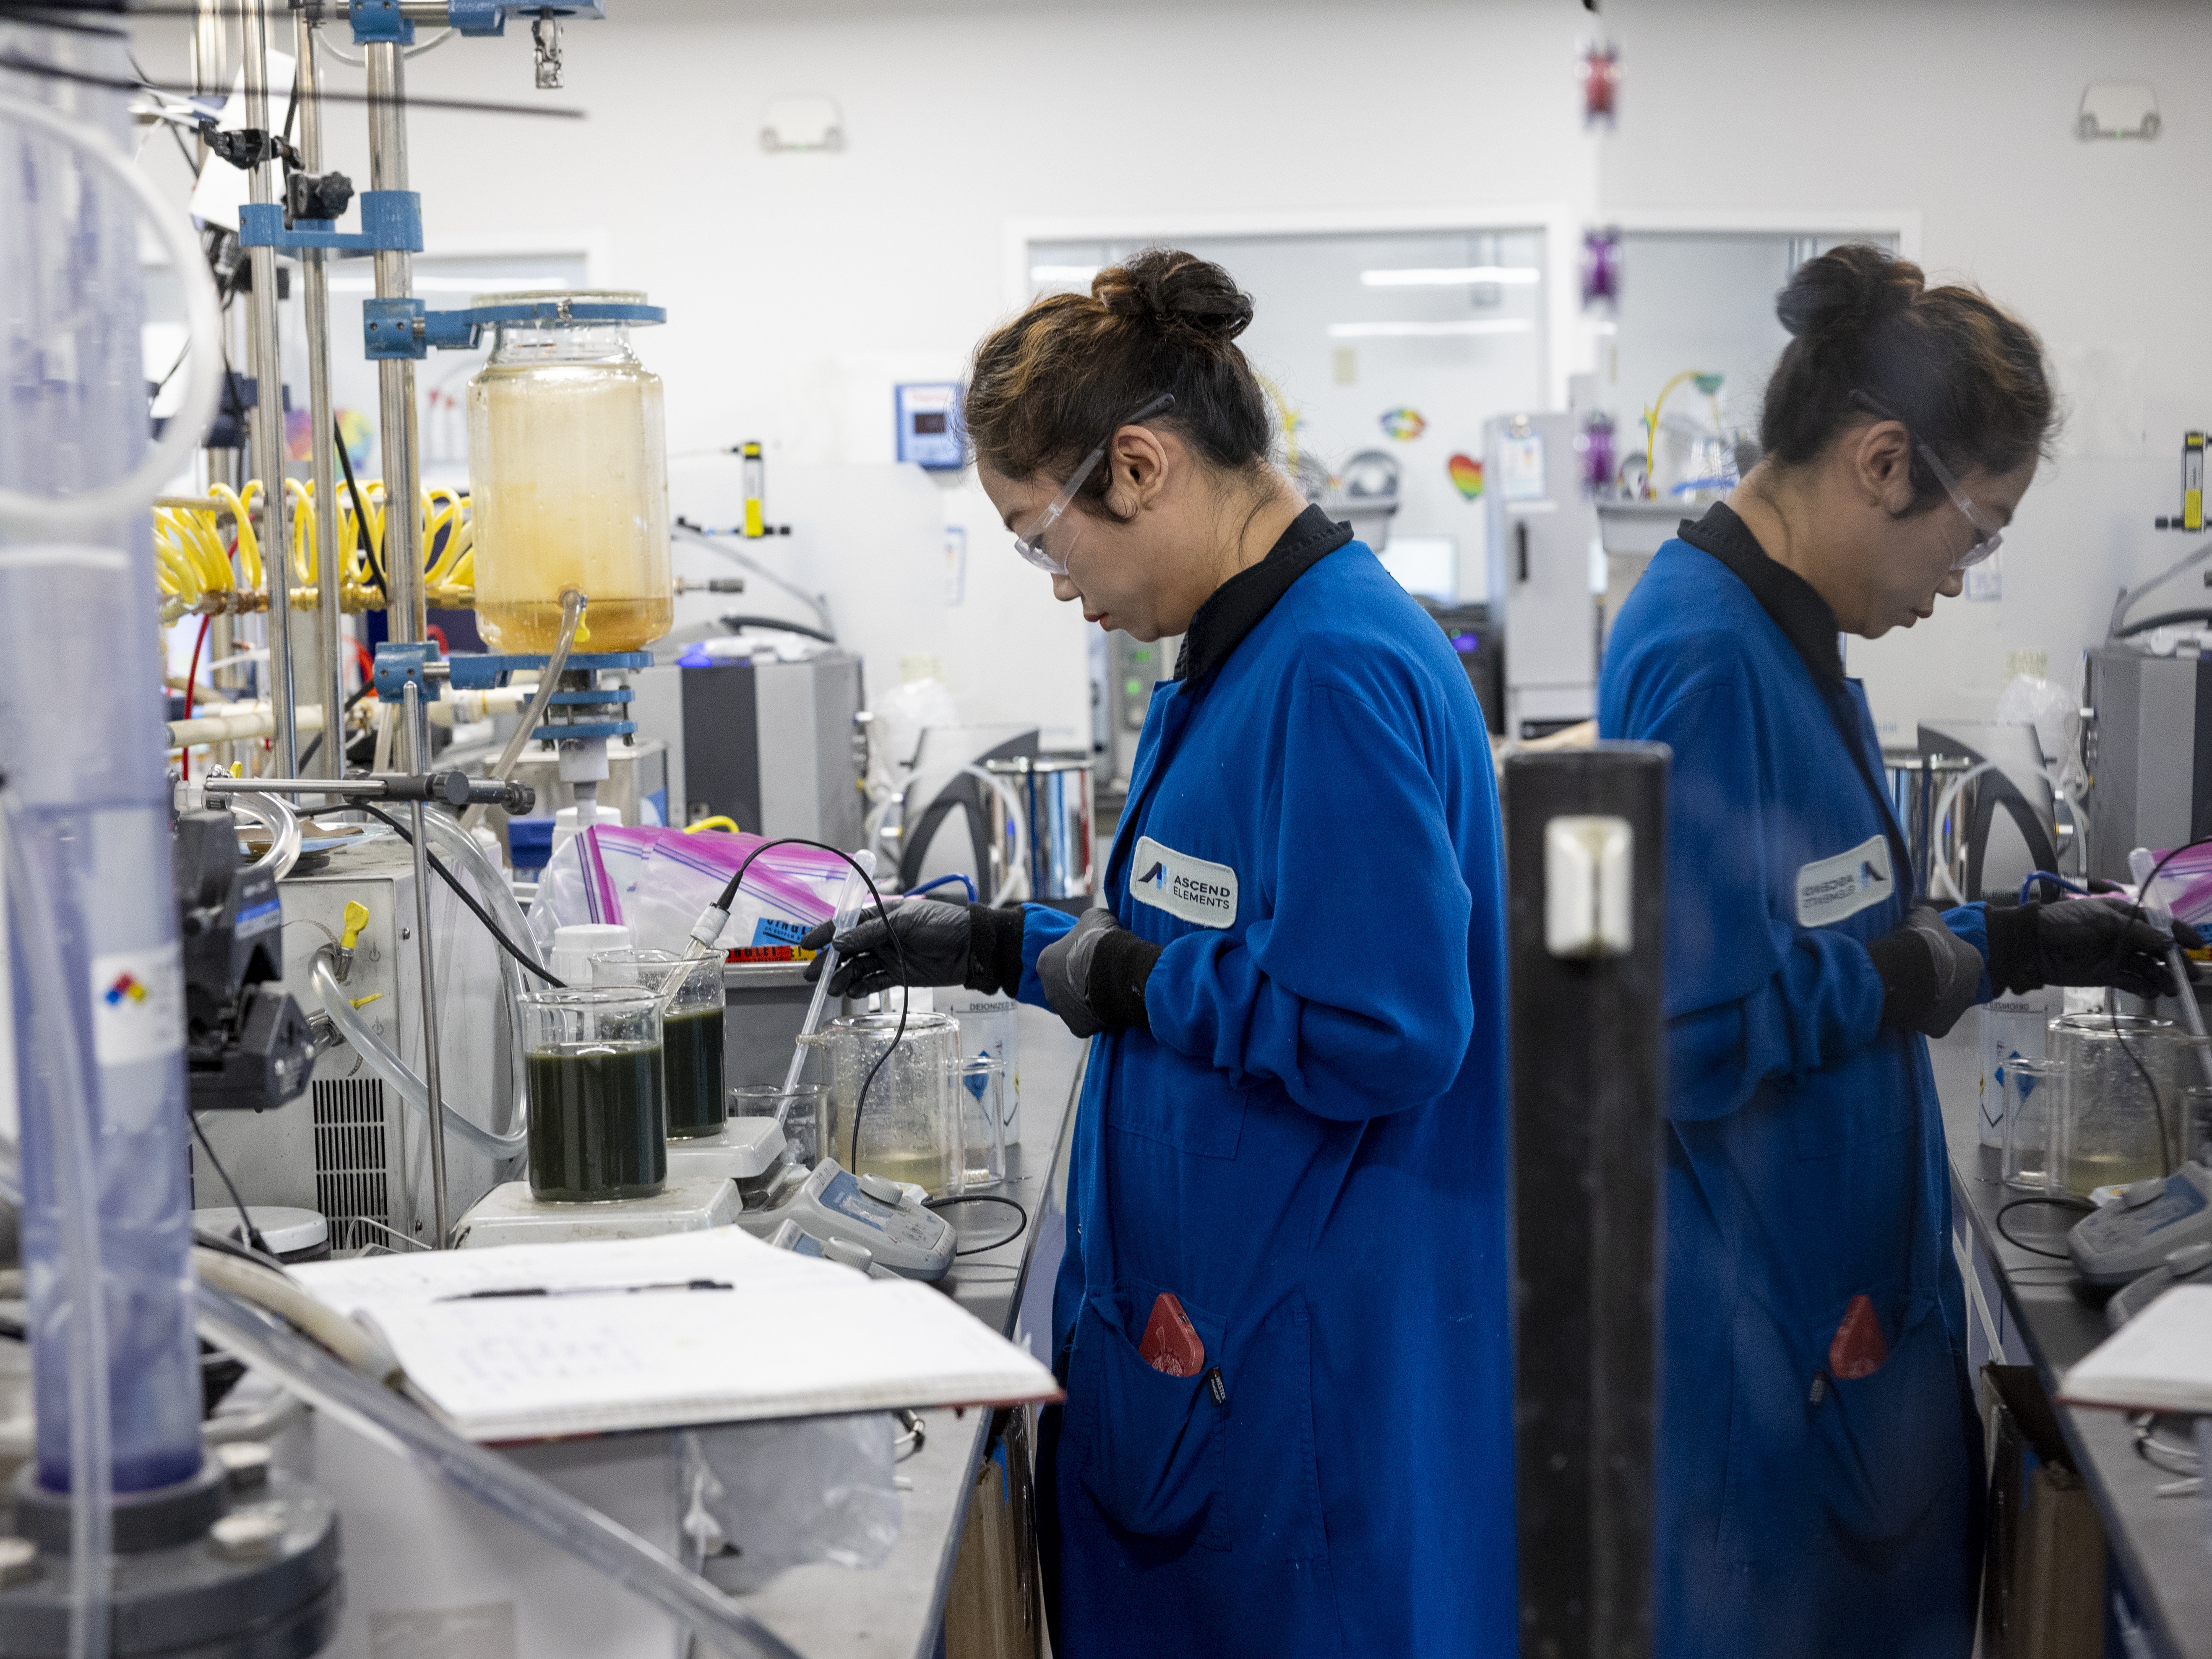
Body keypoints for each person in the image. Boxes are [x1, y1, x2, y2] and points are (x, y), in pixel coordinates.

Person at [802, 248, 1516, 1657]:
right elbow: (1222, 935)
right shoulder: (1243, 651)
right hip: (1226, 1363)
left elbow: (1386, 1028)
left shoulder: (1331, 669)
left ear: (1136, 466)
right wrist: (1012, 944)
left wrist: (1128, 980)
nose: (1052, 580)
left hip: (1294, 1400)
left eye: (1036, 532)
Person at [1600, 244, 2194, 1659]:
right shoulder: (1706, 653)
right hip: (1771, 1356)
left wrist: (2003, 940)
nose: (1960, 576)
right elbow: (1678, 1032)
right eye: (1973, 534)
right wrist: (1919, 972)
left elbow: (1819, 924)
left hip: (1834, 1326)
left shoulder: (1789, 633)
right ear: (1880, 460)